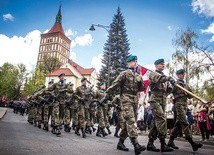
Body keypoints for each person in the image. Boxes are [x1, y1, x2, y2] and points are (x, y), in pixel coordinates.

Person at [104, 55, 146, 155]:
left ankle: (120, 143)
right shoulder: (124, 74)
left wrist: (141, 83)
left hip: (134, 100)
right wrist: (107, 93)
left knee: (128, 123)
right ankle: (136, 145)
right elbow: (115, 84)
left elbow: (141, 89)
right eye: (133, 61)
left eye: (136, 61)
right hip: (125, 99)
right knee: (131, 121)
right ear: (129, 63)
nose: (135, 63)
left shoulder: (138, 76)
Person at [167, 69, 203, 151]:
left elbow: (191, 96)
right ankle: (192, 143)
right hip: (178, 105)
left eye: (183, 74)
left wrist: (187, 93)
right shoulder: (175, 84)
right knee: (184, 122)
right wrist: (172, 84)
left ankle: (170, 141)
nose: (183, 75)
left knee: (178, 124)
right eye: (181, 74)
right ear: (177, 75)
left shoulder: (185, 85)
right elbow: (169, 91)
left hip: (185, 105)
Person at [146, 58, 174, 152]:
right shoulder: (153, 74)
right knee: (162, 119)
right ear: (156, 65)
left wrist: (170, 87)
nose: (163, 65)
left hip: (162, 101)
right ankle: (163, 143)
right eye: (161, 64)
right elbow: (158, 80)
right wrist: (168, 78)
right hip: (155, 100)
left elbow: (165, 92)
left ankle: (150, 143)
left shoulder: (164, 77)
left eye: (163, 64)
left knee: (156, 122)